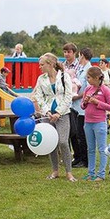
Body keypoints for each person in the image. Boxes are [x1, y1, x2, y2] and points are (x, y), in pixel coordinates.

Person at [31, 52, 77, 182]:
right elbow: (39, 96)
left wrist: (58, 112)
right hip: (48, 114)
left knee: (63, 141)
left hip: (63, 113)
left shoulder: (64, 76)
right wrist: (46, 111)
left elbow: (68, 96)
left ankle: (69, 172)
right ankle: (55, 170)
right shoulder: (41, 79)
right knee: (51, 143)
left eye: (42, 65)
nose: (40, 67)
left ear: (50, 64)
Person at [80, 66, 110, 181]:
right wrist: (85, 102)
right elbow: (82, 106)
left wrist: (97, 102)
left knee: (102, 149)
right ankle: (91, 173)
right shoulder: (87, 89)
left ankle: (101, 174)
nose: (87, 79)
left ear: (96, 78)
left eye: (89, 77)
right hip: (87, 122)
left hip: (99, 123)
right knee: (90, 149)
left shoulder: (105, 90)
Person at [71, 48, 93, 168]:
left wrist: (78, 96)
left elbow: (89, 90)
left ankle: (85, 160)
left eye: (79, 56)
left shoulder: (89, 70)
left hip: (83, 108)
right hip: (76, 106)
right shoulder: (80, 69)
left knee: (82, 135)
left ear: (82, 55)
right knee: (76, 134)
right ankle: (78, 157)